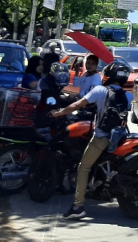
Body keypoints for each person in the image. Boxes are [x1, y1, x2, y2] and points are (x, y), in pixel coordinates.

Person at [51, 62, 132, 220]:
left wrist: (59, 113)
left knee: (83, 167)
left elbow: (77, 104)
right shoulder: (127, 95)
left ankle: (78, 206)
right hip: (120, 137)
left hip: (102, 137)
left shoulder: (100, 90)